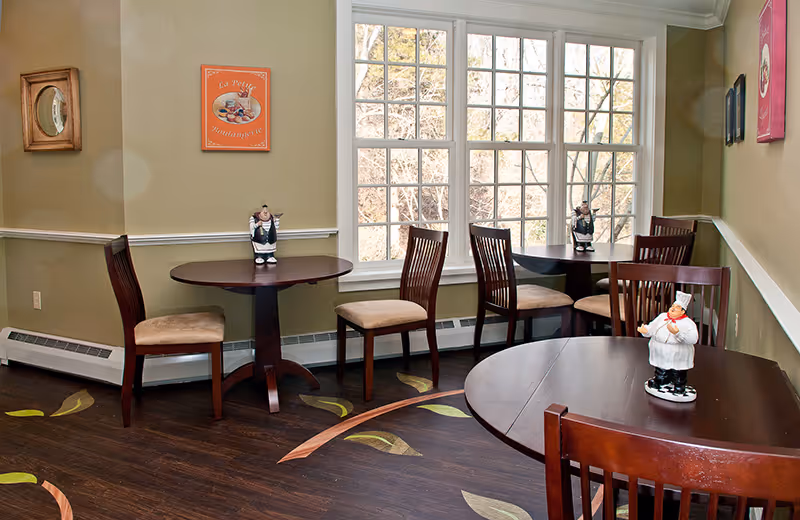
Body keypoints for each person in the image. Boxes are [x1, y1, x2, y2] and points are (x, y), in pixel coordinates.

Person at [637, 291, 699, 399]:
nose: (673, 308)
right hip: (660, 351)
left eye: (677, 307)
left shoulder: (688, 323)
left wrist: (677, 333)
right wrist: (645, 330)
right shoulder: (662, 317)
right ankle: (661, 381)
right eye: (672, 306)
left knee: (678, 370)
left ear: (683, 311)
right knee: (661, 367)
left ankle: (679, 385)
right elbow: (652, 327)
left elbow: (693, 339)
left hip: (678, 353)